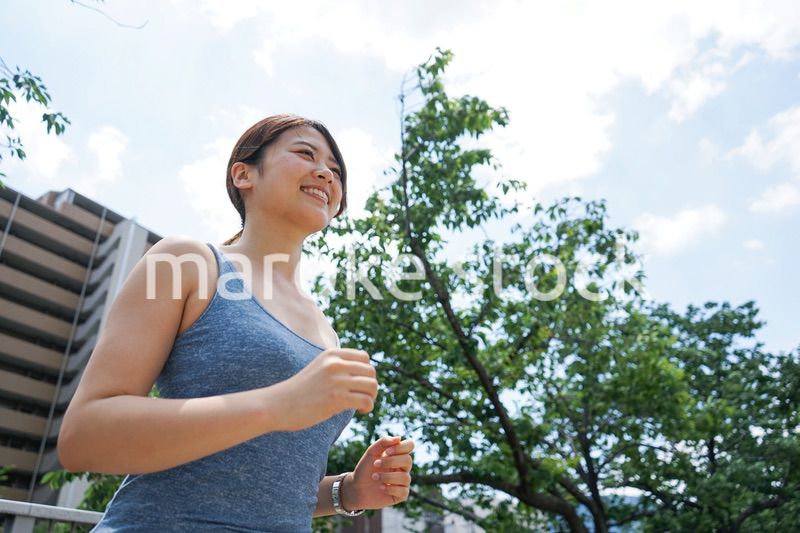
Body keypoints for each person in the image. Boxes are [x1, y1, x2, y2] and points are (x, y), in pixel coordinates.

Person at [57, 114, 414, 532]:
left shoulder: (325, 331)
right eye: (305, 153)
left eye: (336, 171)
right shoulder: (186, 262)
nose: (326, 173)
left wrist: (349, 491)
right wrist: (276, 404)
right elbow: (85, 438)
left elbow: (261, 483)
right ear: (244, 174)